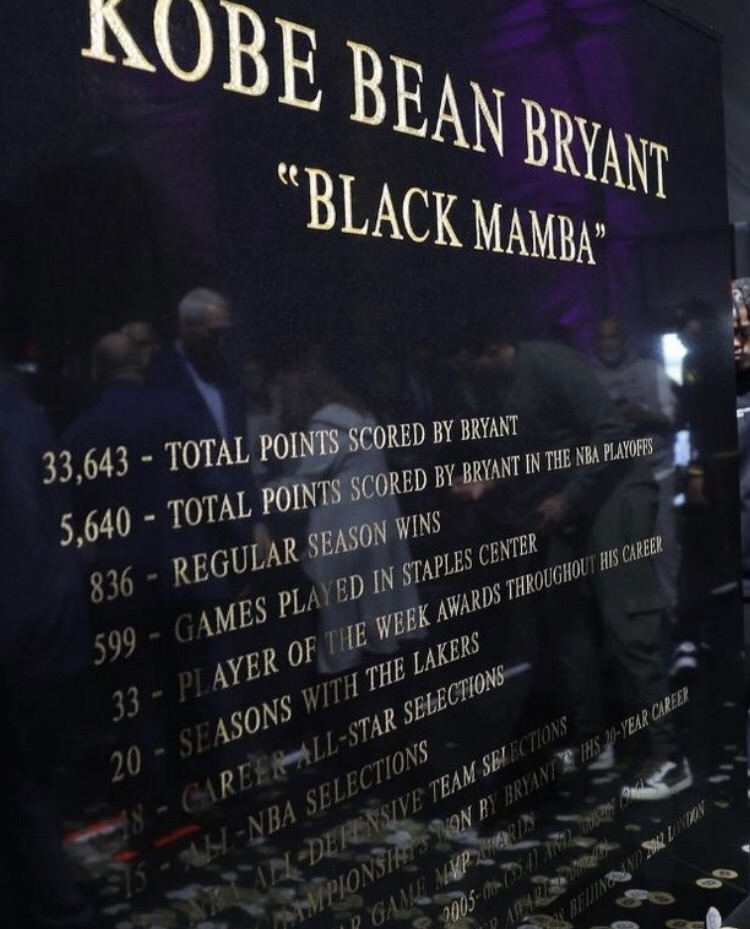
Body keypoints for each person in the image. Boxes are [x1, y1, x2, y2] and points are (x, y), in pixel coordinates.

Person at [454, 329, 692, 801]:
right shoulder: (495, 387)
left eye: (469, 363)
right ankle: (592, 742)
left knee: (628, 622)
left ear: (490, 347)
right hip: (573, 500)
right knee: (565, 620)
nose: (466, 374)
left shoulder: (549, 363)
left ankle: (670, 757)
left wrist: (567, 498)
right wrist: (490, 480)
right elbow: (537, 452)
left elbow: (612, 433)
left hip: (615, 491)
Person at [0, 373, 96, 929]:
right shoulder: (29, 416)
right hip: (55, 627)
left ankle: (60, 907)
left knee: (23, 786)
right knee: (35, 780)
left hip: (17, 633)